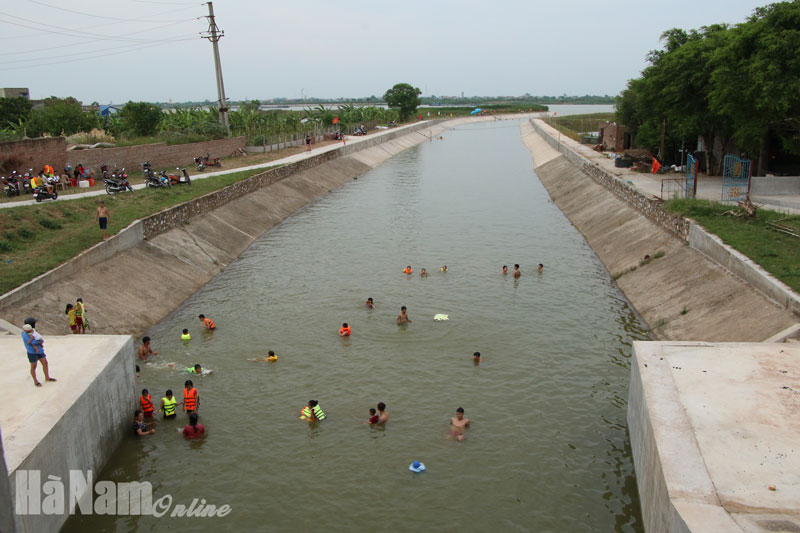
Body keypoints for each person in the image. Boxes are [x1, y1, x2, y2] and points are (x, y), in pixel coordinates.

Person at [21, 320, 55, 387]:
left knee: (45, 363)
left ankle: (47, 377)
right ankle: (35, 381)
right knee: (34, 366)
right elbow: (33, 342)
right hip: (32, 352)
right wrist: (40, 341)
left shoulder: (32, 331)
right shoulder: (25, 334)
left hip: (40, 351)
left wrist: (40, 341)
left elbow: (38, 338)